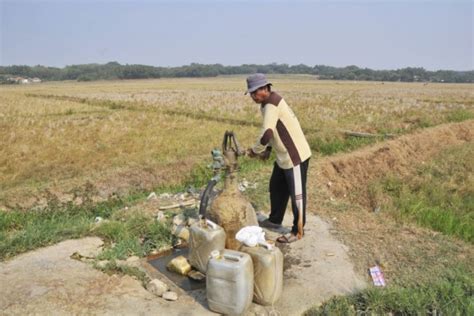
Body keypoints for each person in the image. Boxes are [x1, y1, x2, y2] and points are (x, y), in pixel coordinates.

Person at [245, 73, 311, 243]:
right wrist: (267, 149)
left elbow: (267, 133)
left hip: (294, 156)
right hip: (283, 156)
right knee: (276, 187)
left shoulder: (271, 104)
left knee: (297, 195)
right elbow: (272, 129)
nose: (253, 96)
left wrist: (255, 151)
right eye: (251, 93)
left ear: (266, 88)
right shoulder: (267, 103)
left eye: (255, 92)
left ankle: (298, 231)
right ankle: (275, 220)